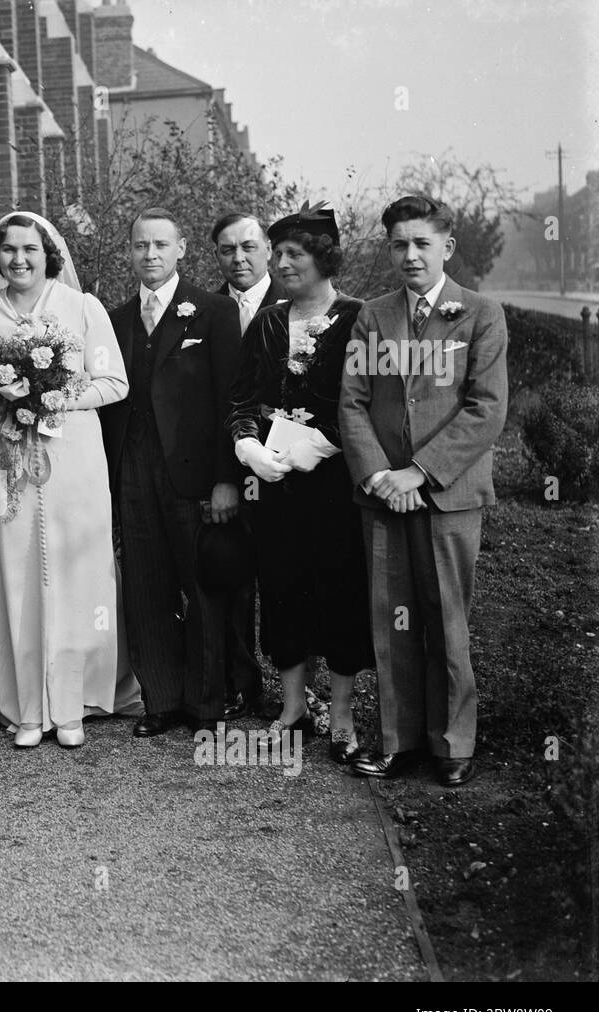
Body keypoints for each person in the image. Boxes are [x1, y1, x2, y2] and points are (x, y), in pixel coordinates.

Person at [340, 195, 508, 787]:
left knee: (445, 615)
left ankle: (453, 741)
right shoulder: (373, 316)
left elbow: (486, 410)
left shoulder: (481, 313)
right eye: (398, 244)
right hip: (383, 495)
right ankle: (397, 740)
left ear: (446, 248)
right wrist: (381, 476)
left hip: (449, 496)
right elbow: (354, 402)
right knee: (393, 619)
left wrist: (420, 472)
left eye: (421, 243)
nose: (409, 255)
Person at [0, 211, 139, 748]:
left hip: (74, 459)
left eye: (30, 250)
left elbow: (115, 381)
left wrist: (54, 398)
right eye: (9, 250)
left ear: (49, 255)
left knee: (78, 574)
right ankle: (26, 708)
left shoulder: (82, 308)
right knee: (14, 573)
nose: (19, 260)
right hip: (9, 460)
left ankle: (73, 705)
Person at [229, 204, 372, 761]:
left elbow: (369, 402)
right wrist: (247, 447)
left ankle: (340, 714)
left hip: (336, 484)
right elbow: (241, 398)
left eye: (296, 254)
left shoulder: (360, 317)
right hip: (276, 483)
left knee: (339, 589)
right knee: (282, 585)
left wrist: (327, 441)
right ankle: (291, 709)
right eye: (280, 253)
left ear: (324, 258)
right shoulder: (267, 321)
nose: (283, 263)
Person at [99, 208, 241, 737]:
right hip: (134, 470)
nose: (150, 255)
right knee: (146, 586)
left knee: (202, 586)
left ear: (182, 248)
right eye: (140, 246)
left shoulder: (215, 312)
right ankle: (160, 699)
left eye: (161, 244)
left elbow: (233, 400)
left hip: (195, 474)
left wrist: (227, 478)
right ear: (129, 252)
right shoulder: (113, 320)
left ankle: (207, 704)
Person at [211, 212, 289, 722]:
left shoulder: (297, 301)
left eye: (248, 247)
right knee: (231, 579)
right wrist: (224, 476)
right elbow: (207, 402)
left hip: (289, 464)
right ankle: (242, 684)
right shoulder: (206, 308)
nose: (238, 258)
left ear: (267, 250)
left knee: (284, 579)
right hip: (229, 465)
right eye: (226, 250)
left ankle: (296, 689)